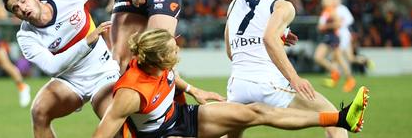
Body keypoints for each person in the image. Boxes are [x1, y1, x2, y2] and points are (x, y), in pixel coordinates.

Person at [93, 28, 369, 138]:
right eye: (174, 50)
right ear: (159, 59)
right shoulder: (130, 92)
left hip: (182, 117)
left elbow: (169, 78)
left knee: (256, 111)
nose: (178, 51)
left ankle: (341, 118)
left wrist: (192, 89)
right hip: (161, 135)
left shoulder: (158, 64)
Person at [224, 0, 357, 138]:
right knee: (334, 119)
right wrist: (294, 78)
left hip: (236, 86)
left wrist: (278, 37)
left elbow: (231, 51)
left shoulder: (235, 3)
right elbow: (269, 38)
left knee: (231, 134)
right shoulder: (283, 6)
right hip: (267, 84)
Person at [0, 0, 145, 138]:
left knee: (117, 129)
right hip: (70, 82)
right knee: (39, 111)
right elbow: (52, 66)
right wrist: (86, 43)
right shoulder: (26, 36)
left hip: (103, 74)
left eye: (23, 1)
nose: (22, 8)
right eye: (15, 8)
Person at [314, 0, 353, 92]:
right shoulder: (326, 11)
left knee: (338, 59)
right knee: (319, 57)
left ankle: (349, 79)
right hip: (328, 37)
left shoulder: (332, 11)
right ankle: (336, 73)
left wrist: (325, 27)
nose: (323, 1)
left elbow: (338, 23)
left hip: (333, 37)